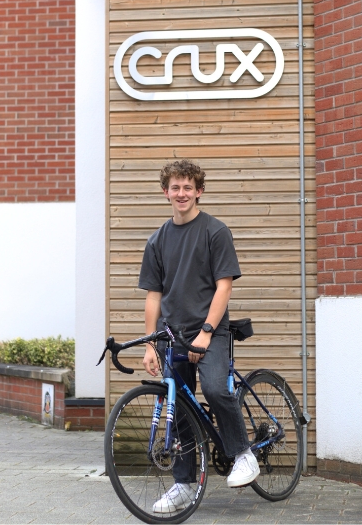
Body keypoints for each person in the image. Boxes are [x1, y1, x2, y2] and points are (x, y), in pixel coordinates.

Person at [138, 159, 260, 514]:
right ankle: (182, 485)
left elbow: (224, 288)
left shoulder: (215, 232)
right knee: (179, 410)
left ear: (199, 191)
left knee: (215, 388)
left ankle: (243, 454)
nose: (181, 193)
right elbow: (153, 296)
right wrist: (149, 344)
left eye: (187, 187)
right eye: (175, 187)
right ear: (166, 192)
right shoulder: (157, 240)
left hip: (211, 330)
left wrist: (206, 332)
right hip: (173, 336)